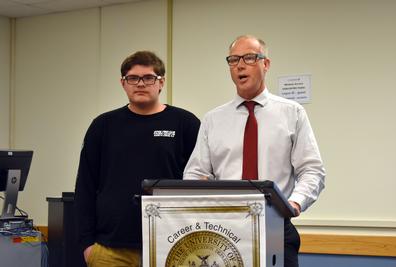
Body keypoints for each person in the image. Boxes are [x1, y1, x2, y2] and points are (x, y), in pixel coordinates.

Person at [183, 35, 326, 267]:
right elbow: (194, 173)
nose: (240, 65)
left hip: (276, 228)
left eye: (249, 58)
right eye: (233, 60)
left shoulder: (292, 113)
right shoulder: (213, 120)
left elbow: (312, 170)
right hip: (222, 231)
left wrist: (294, 203)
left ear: (265, 64)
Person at [74, 51, 200, 267]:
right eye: (133, 78)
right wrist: (87, 244)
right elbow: (85, 186)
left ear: (161, 82)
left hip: (172, 244)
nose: (140, 84)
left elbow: (200, 183)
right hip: (110, 250)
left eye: (148, 78)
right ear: (123, 83)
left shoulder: (185, 124)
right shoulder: (103, 126)